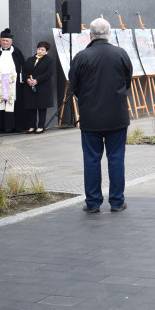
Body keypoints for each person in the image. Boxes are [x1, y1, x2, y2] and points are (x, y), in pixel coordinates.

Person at [69, 18, 132, 213]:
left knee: (91, 160)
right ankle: (116, 201)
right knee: (116, 159)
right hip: (117, 117)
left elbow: (74, 87)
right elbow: (127, 81)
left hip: (91, 118)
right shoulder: (121, 54)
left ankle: (93, 202)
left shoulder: (81, 56)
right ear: (109, 34)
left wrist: (88, 100)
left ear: (90, 35)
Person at [0, 28, 25, 132]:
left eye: (6, 41)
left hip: (13, 83)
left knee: (12, 104)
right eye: (3, 40)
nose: (4, 42)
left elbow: (22, 66)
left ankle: (13, 126)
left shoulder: (17, 52)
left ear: (11, 42)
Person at [22, 41, 56, 133]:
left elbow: (49, 73)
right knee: (31, 107)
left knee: (42, 107)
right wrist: (28, 79)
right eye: (38, 49)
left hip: (42, 87)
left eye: (42, 50)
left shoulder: (49, 60)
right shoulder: (30, 59)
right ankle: (32, 126)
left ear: (46, 52)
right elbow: (24, 71)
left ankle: (41, 126)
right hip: (30, 86)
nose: (40, 51)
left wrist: (37, 80)